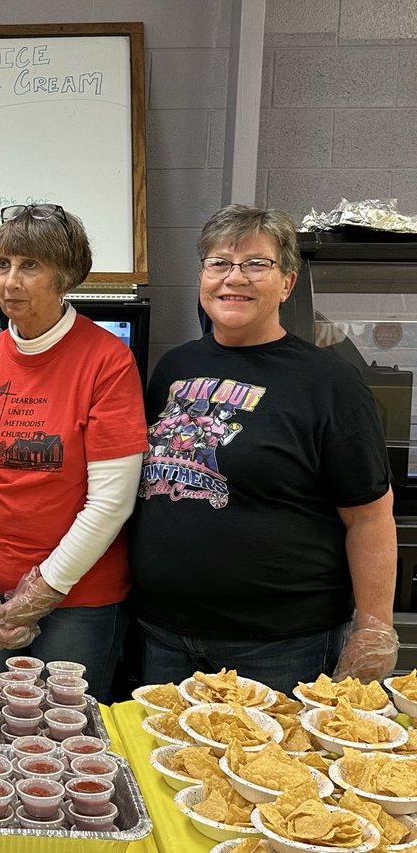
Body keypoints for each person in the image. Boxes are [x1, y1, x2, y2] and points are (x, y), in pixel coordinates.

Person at [129, 203, 398, 690]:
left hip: (278, 646)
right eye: (219, 263)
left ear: (287, 283)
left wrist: (374, 625)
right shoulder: (173, 368)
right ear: (202, 276)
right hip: (164, 635)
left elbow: (370, 516)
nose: (235, 278)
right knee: (162, 766)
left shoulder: (330, 384)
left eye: (256, 263)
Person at [0, 203, 146, 703]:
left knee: (70, 745)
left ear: (66, 277)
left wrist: (37, 597)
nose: (11, 282)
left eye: (30, 266)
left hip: (82, 599)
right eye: (4, 265)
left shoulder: (107, 361)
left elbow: (110, 504)